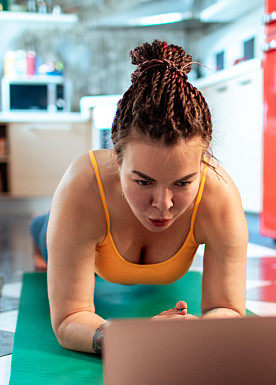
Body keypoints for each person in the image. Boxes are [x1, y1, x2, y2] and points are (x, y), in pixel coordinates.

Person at [29, 40, 248, 355]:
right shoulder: (83, 185)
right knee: (44, 230)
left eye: (183, 183)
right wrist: (132, 338)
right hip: (71, 228)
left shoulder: (219, 194)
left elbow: (228, 308)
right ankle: (36, 228)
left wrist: (201, 330)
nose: (163, 204)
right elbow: (68, 319)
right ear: (117, 160)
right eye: (143, 182)